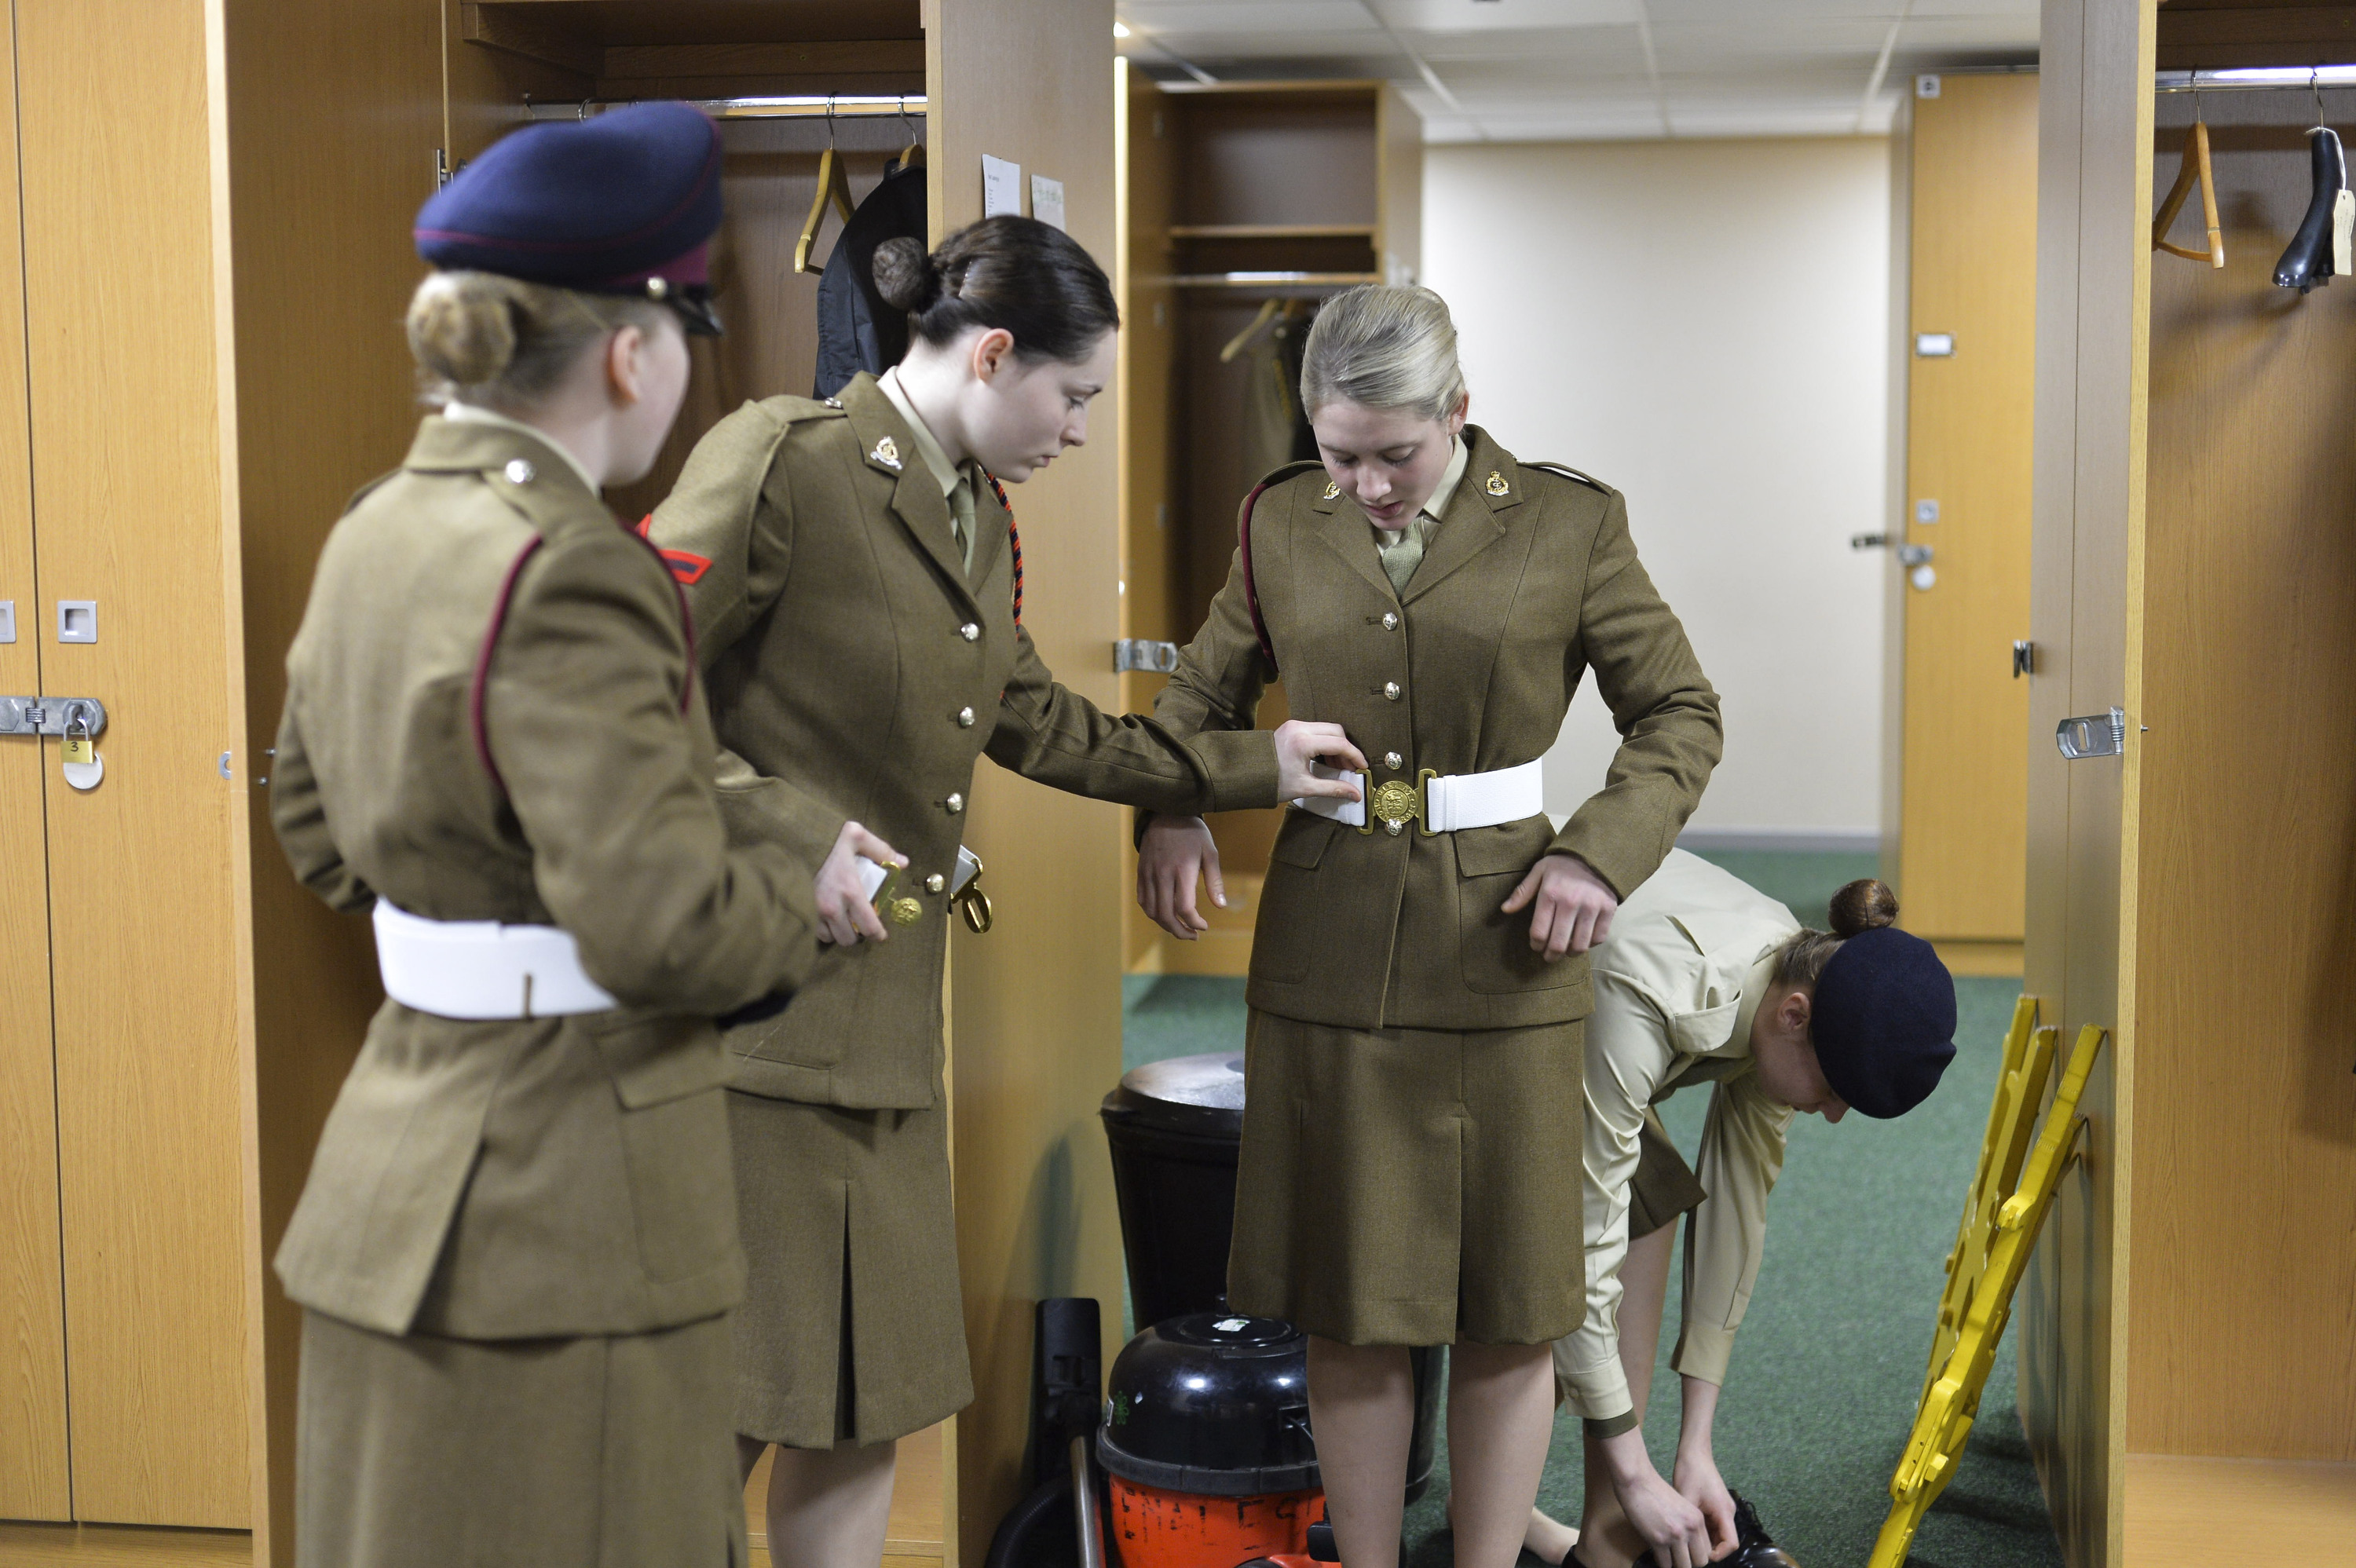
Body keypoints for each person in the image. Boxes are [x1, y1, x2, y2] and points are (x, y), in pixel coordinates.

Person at [647, 215, 1364, 1568]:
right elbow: (618, 672)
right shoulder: (781, 462)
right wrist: (782, 833)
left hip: (879, 1031)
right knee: (715, 1415)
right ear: (992, 354)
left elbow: (1040, 719)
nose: (1079, 429)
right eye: (1073, 394)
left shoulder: (971, 509)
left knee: (860, 1409)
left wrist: (1246, 764)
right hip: (755, 1036)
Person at [266, 102, 818, 1568]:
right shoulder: (573, 564)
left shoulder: (380, 524)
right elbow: (665, 927)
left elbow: (316, 834)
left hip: (399, 1165)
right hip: (572, 1205)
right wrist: (786, 876)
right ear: (635, 347)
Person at [1134, 283, 1724, 1568]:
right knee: (1351, 1308)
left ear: (1459, 411)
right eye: (1341, 455)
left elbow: (1679, 710)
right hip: (1328, 951)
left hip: (1513, 948)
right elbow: (1195, 689)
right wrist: (1177, 801)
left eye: (1394, 454)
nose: (1366, 486)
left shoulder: (1569, 522)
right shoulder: (1282, 519)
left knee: (1507, 1307)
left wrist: (1600, 856)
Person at [1526, 851, 1956, 1568]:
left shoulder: (1797, 979)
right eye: (1834, 1088)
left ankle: (1602, 1541)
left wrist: (1696, 1446)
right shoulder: (1652, 994)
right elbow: (1588, 1236)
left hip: (1577, 1056)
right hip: (1472, 1031)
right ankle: (1505, 1508)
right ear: (1796, 1017)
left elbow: (1737, 1210)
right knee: (1564, 1248)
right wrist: (1637, 1469)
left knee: (1652, 1196)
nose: (1834, 1113)